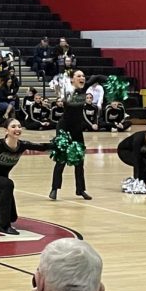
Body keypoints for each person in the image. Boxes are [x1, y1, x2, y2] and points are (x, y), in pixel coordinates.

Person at [50, 70, 100, 201]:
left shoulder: (85, 87)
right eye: (79, 76)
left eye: (83, 76)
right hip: (64, 128)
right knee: (61, 159)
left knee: (79, 160)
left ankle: (81, 189)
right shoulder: (67, 90)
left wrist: (112, 79)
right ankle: (54, 189)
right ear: (72, 80)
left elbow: (96, 77)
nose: (82, 78)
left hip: (77, 129)